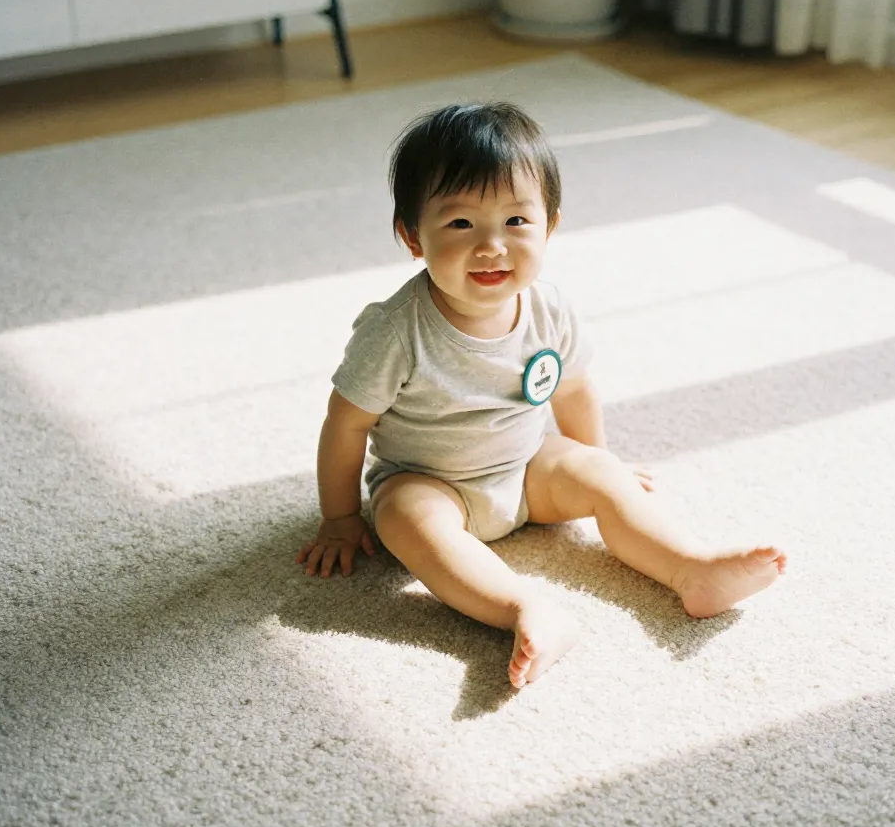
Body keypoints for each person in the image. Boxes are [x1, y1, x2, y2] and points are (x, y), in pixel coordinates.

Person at [297, 102, 786, 689]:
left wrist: (597, 460)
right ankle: (524, 609)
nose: (492, 246)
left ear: (549, 226)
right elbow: (346, 424)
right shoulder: (394, 332)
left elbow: (573, 390)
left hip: (527, 465)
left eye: (515, 221)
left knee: (605, 477)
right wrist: (340, 518)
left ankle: (692, 569)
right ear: (412, 236)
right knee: (406, 521)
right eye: (461, 224)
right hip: (429, 479)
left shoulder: (549, 308)